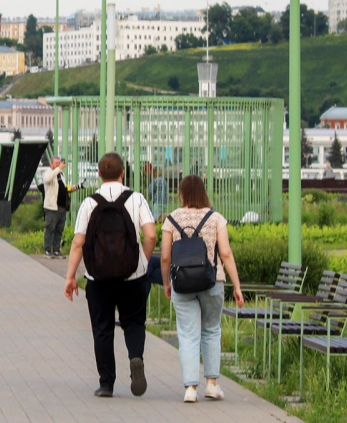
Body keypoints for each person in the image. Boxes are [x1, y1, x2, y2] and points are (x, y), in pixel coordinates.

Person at [64, 152, 156, 398]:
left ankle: (106, 383)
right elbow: (151, 235)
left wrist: (70, 276)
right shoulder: (136, 199)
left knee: (102, 328)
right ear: (123, 173)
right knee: (134, 323)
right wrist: (142, 262)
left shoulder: (89, 203)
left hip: (98, 278)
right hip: (132, 276)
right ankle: (135, 357)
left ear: (99, 174)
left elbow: (78, 242)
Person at [160, 175, 244, 403]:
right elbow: (225, 253)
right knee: (211, 330)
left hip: (182, 283)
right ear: (203, 192)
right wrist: (237, 286)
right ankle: (212, 384)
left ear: (182, 193)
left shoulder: (171, 219)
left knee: (187, 334)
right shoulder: (215, 218)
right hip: (212, 281)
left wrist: (166, 283)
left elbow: (166, 256)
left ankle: (190, 388)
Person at [42, 157, 78, 259]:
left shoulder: (61, 174)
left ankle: (56, 249)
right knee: (50, 228)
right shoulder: (49, 173)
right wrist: (58, 169)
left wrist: (75, 187)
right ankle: (47, 250)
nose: (58, 165)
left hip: (62, 206)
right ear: (51, 164)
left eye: (59, 163)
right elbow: (47, 179)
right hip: (52, 206)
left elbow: (64, 187)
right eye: (56, 163)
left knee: (59, 229)